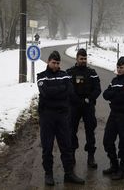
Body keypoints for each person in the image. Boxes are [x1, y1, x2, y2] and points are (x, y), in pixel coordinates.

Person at [37, 51, 85, 186]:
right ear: (48, 61)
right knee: (47, 147)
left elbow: (70, 91)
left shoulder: (64, 75)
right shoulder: (41, 76)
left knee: (66, 146)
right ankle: (48, 174)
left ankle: (69, 173)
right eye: (53, 63)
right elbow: (46, 93)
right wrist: (60, 91)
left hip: (63, 116)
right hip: (47, 116)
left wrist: (56, 92)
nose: (56, 65)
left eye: (58, 63)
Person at [66, 48, 102, 168]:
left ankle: (91, 157)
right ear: (76, 58)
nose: (83, 61)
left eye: (85, 59)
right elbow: (69, 90)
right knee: (71, 131)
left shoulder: (92, 73)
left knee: (90, 131)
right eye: (81, 58)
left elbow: (98, 89)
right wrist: (78, 100)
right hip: (74, 106)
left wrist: (90, 99)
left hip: (88, 106)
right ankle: (72, 155)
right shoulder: (70, 72)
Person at [102, 56, 124, 180]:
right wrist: (116, 94)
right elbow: (105, 94)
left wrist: (113, 95)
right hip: (114, 114)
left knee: (123, 143)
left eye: (121, 67)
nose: (119, 69)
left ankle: (123, 170)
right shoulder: (114, 81)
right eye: (118, 67)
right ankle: (114, 165)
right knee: (107, 141)